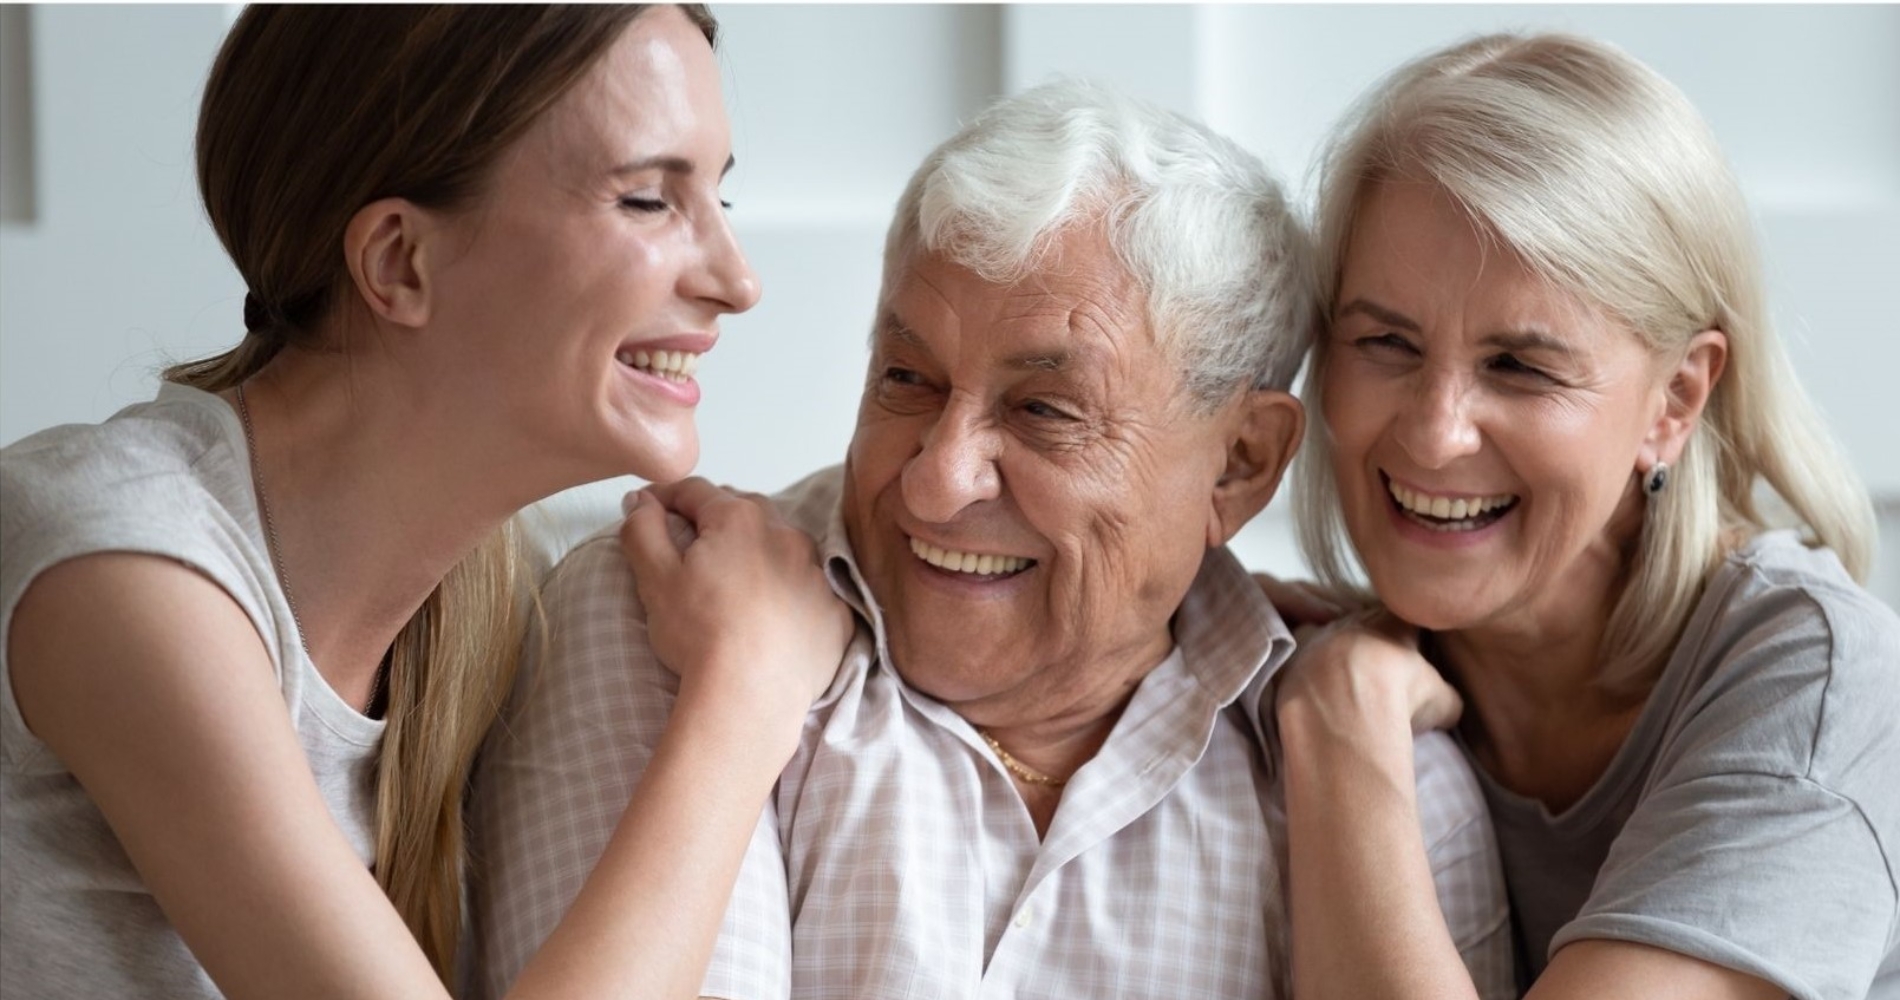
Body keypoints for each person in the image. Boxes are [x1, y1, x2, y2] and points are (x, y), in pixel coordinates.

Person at [467, 78, 1515, 1000]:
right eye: (908, 380)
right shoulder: (664, 613)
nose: (936, 479)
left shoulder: (1383, 780)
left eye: (1044, 412)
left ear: (1240, 462)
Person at [0, 6, 851, 999]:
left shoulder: (499, 602)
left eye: (719, 199)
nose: (736, 281)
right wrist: (745, 694)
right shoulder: (123, 572)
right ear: (401, 260)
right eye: (648, 201)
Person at [1264, 31, 1900, 1000]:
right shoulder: (1292, 656)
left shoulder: (1821, 686)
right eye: (1385, 340)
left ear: (1674, 400)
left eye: (1519, 364)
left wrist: (1341, 730)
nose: (1434, 436)